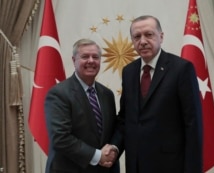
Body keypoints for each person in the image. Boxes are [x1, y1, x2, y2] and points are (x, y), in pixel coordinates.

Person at [111, 15, 203, 173]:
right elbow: (126, 118)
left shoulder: (181, 69)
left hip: (170, 165)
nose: (143, 41)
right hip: (136, 164)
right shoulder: (129, 72)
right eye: (137, 37)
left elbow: (193, 124)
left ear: (161, 36)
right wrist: (114, 147)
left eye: (149, 34)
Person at [44, 38, 119, 173]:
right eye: (85, 56)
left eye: (95, 57)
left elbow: (110, 133)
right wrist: (97, 156)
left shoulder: (107, 94)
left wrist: (112, 150)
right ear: (74, 60)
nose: (91, 61)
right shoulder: (58, 93)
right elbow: (60, 138)